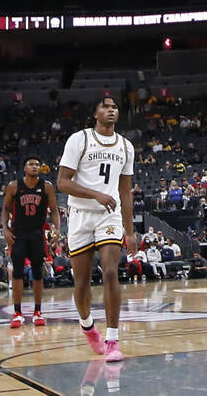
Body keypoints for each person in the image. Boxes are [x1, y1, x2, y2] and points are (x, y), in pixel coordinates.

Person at [57, 98, 137, 362]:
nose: (111, 109)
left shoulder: (126, 146)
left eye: (115, 106)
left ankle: (113, 339)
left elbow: (125, 192)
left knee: (111, 271)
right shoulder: (78, 140)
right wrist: (96, 195)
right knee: (81, 282)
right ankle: (87, 325)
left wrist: (130, 230)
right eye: (105, 106)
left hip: (109, 215)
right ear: (95, 113)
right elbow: (62, 182)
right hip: (80, 214)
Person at [3, 156, 59, 328]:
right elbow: (5, 209)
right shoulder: (14, 186)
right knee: (18, 272)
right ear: (24, 168)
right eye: (31, 164)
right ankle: (17, 313)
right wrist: (5, 230)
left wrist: (57, 229)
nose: (35, 167)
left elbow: (54, 210)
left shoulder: (47, 186)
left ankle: (37, 311)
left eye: (37, 164)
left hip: (37, 234)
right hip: (18, 234)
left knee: (37, 272)